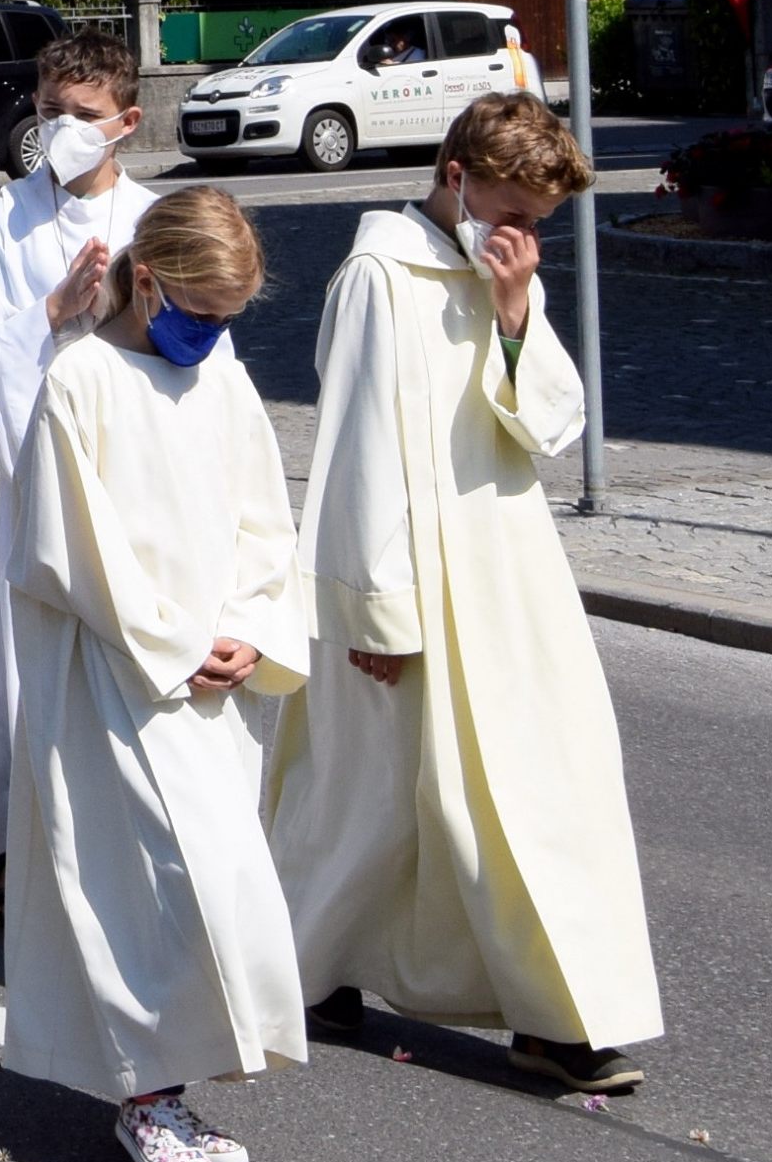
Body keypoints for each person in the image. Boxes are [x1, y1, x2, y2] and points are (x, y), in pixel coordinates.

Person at [266, 93, 661, 1099]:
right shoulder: (377, 275)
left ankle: (559, 1020)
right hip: (404, 576)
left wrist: (518, 314)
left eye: (539, 221)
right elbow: (355, 446)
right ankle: (309, 968)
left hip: (507, 573)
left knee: (541, 790)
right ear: (457, 178)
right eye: (514, 211)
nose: (525, 235)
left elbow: (551, 427)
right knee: (371, 797)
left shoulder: (497, 271)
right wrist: (373, 607)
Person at [2, 186, 305, 1162]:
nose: (212, 336)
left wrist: (249, 630)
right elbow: (65, 550)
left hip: (213, 675)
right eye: (200, 313)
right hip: (115, 674)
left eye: (229, 321)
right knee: (159, 889)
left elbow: (266, 521)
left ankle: (168, 1092)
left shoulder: (221, 378)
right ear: (148, 277)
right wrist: (178, 643)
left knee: (218, 888)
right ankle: (144, 1102)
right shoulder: (82, 380)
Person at [0, 27, 156, 915]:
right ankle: (16, 852)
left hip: (131, 483)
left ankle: (110, 851)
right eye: (49, 109)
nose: (62, 126)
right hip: (41, 475)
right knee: (29, 674)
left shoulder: (152, 219)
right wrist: (53, 313)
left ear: (126, 121)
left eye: (83, 114)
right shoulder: (5, 216)